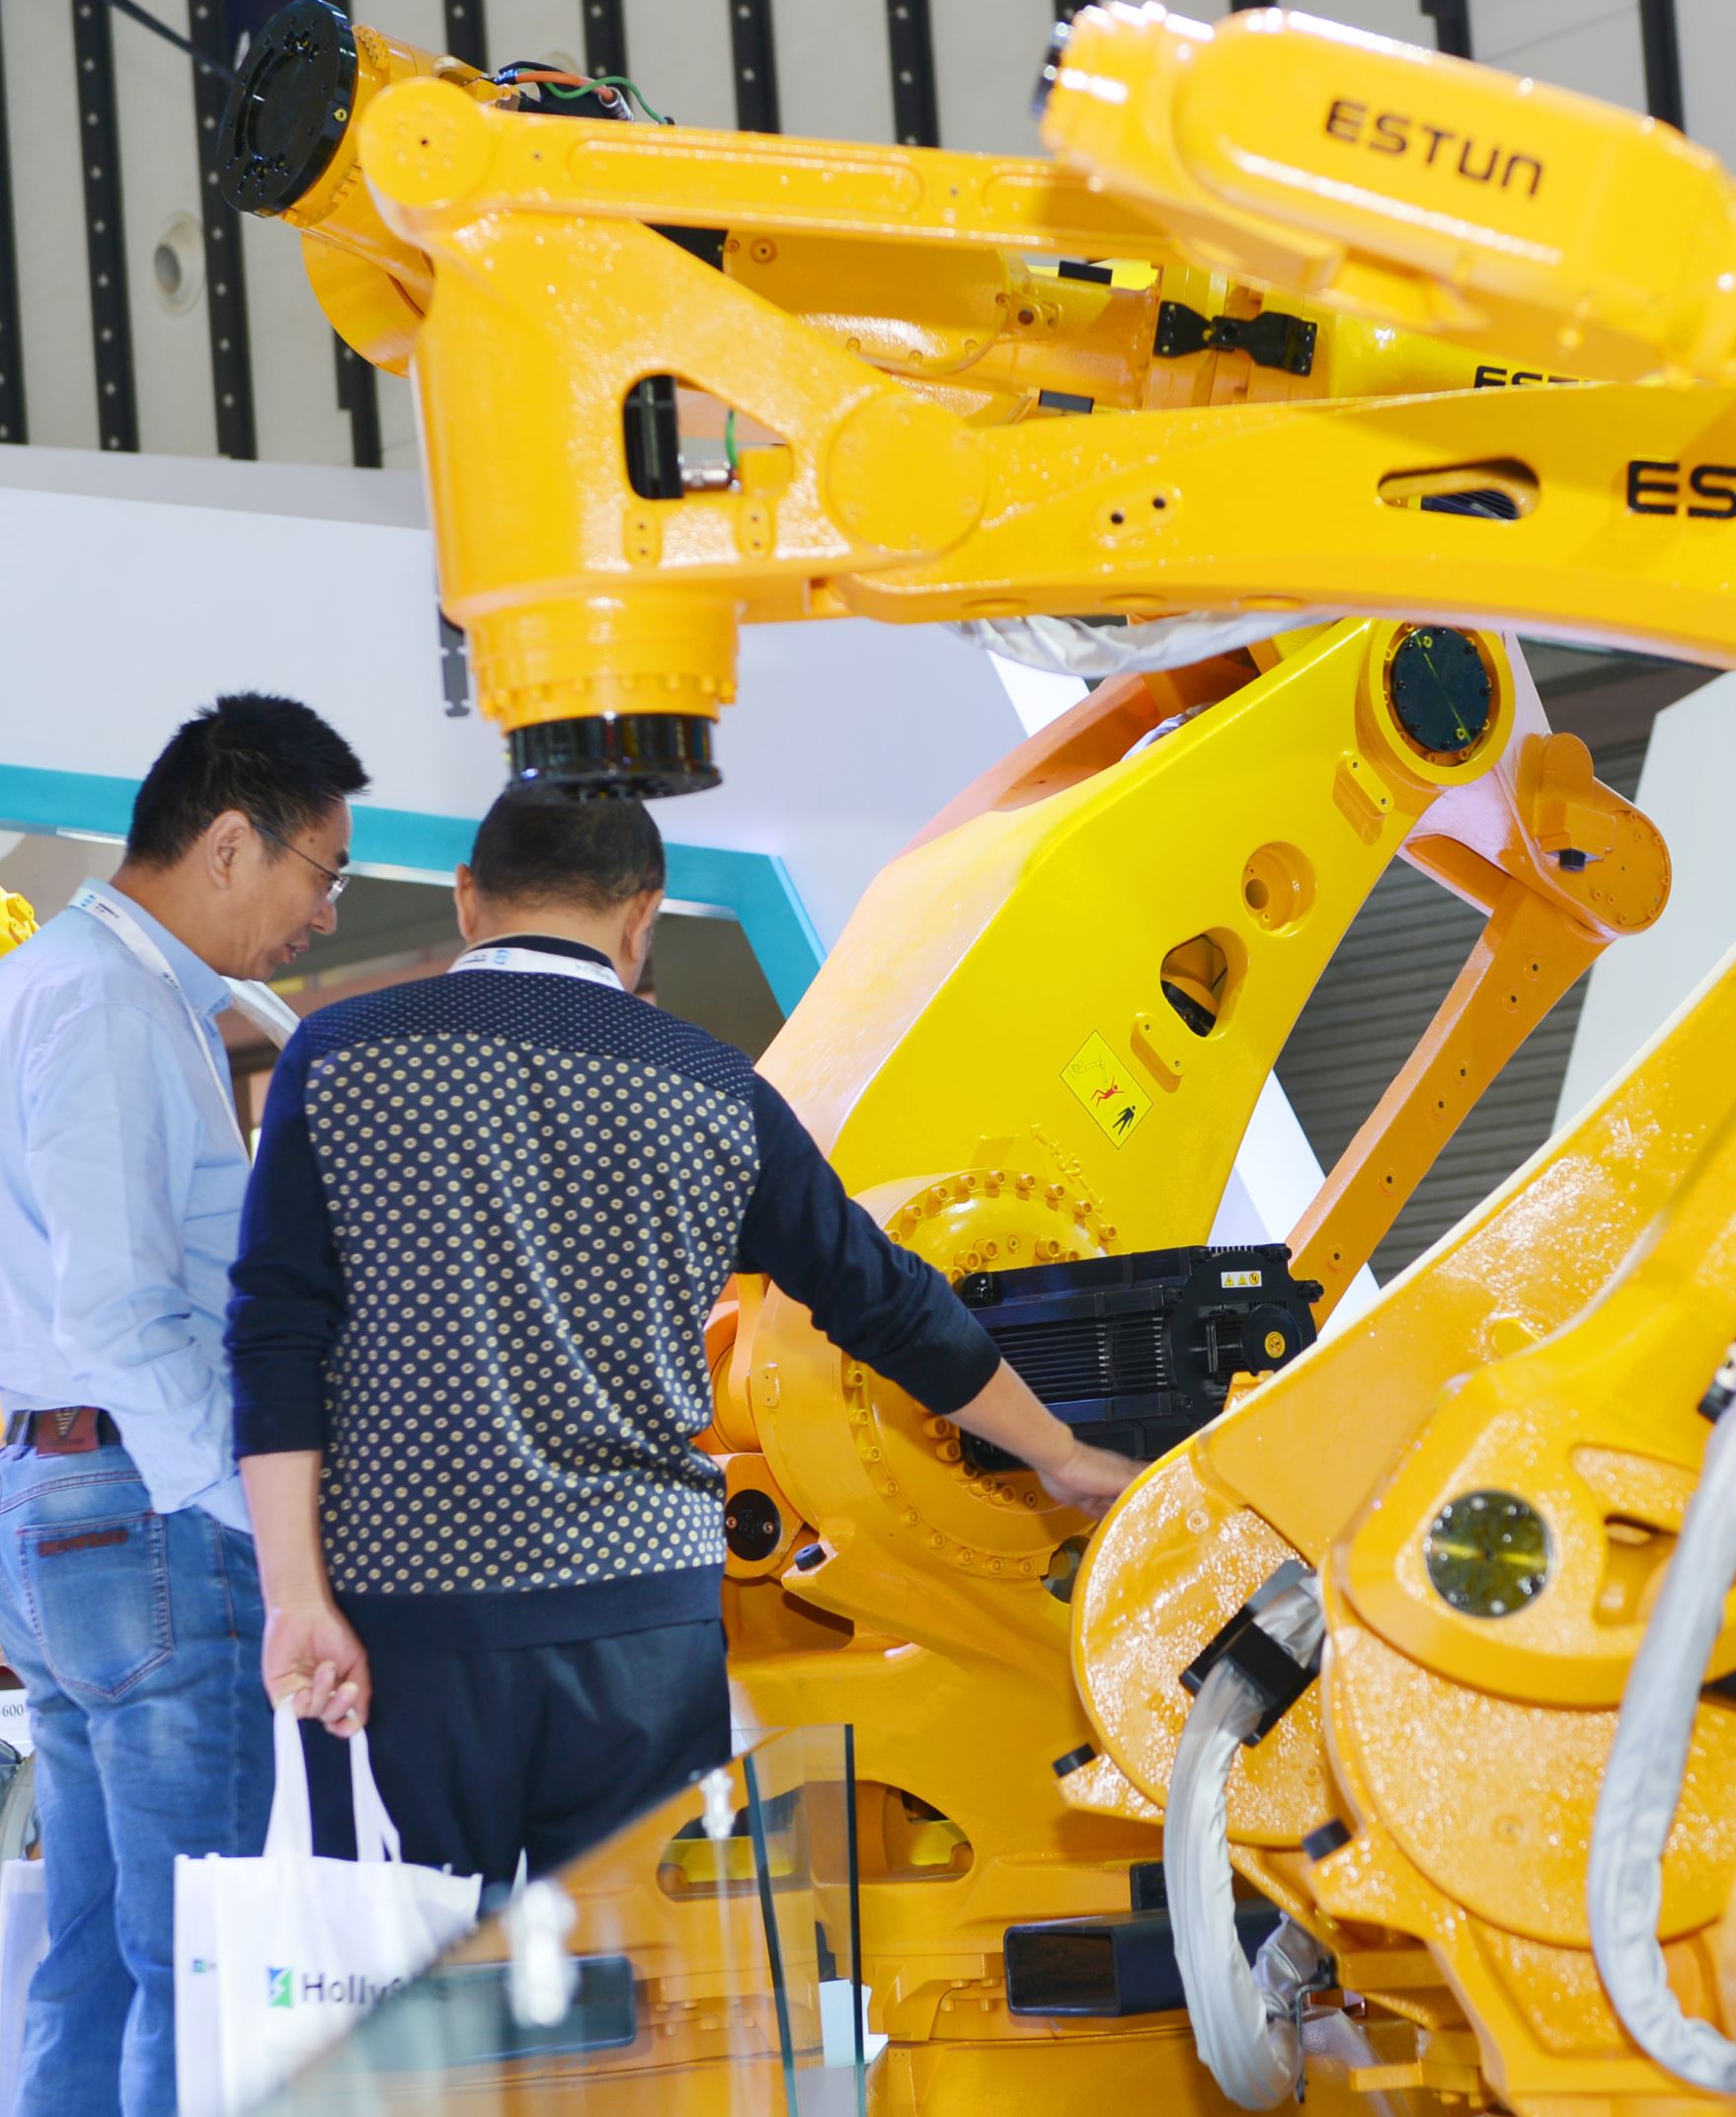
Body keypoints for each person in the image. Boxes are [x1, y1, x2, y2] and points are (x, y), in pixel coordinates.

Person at [226, 790, 1138, 1888]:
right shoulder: (712, 1086)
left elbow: (274, 1338)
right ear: (640, 914)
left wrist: (296, 1599)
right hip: (638, 1627)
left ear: (470, 899)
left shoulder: (341, 1058)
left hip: (405, 1618)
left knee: (415, 1996)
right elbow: (886, 1298)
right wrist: (1058, 1450)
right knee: (646, 2006)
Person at [0, 691, 359, 2117]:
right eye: (317, 869)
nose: (323, 909)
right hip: (144, 1509)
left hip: (55, 1504)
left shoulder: (35, 988)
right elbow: (125, 1305)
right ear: (229, 838)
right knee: (193, 1964)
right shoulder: (114, 1007)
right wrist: (257, 1522)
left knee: (102, 1963)